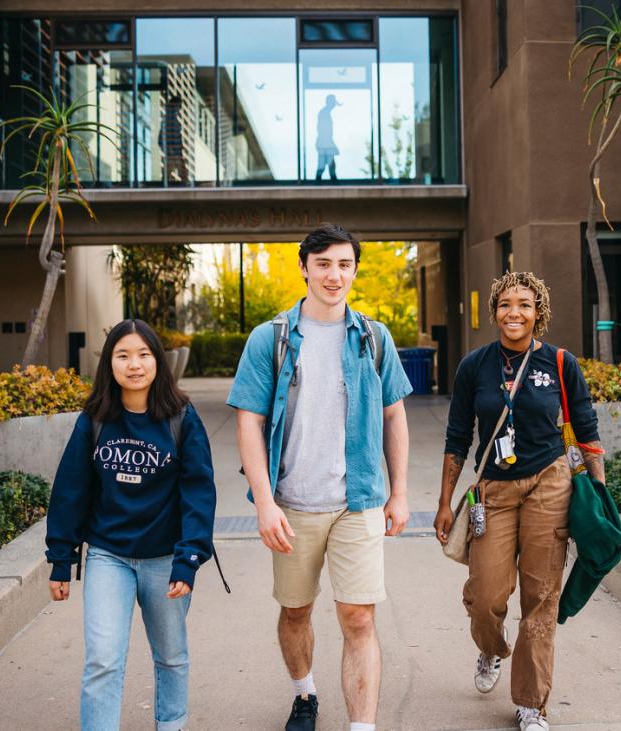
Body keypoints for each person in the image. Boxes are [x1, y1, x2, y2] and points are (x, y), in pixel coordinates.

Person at [228, 223, 413, 731]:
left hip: (358, 503)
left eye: (345, 265)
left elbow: (395, 414)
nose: (336, 275)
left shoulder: (374, 337)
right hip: (292, 503)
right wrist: (265, 503)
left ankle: (362, 726)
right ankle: (304, 694)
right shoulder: (273, 339)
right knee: (295, 614)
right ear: (305, 267)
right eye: (325, 264)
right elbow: (249, 419)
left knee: (359, 618)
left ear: (355, 269)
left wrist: (399, 492)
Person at [434, 272, 604, 731]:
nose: (515, 313)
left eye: (525, 305)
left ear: (539, 313)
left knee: (541, 596)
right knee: (487, 594)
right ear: (494, 311)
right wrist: (446, 501)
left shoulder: (561, 363)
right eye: (506, 304)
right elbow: (457, 437)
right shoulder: (474, 366)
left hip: (550, 483)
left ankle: (532, 703)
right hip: (494, 489)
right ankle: (490, 647)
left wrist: (601, 496)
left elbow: (586, 433)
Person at [45, 319, 218, 731]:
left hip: (166, 558)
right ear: (110, 364)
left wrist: (188, 558)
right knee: (103, 658)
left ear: (157, 360)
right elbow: (71, 489)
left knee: (171, 655)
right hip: (109, 556)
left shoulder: (181, 417)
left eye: (143, 354)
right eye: (123, 355)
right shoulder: (95, 419)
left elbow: (199, 491)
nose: (134, 364)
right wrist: (61, 558)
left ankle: (171, 725)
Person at [315, 94, 340, 181]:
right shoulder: (324, 114)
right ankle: (323, 181)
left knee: (328, 164)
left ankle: (331, 180)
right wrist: (331, 145)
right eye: (333, 103)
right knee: (324, 164)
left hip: (325, 143)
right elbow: (324, 132)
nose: (334, 105)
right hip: (324, 143)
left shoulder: (325, 113)